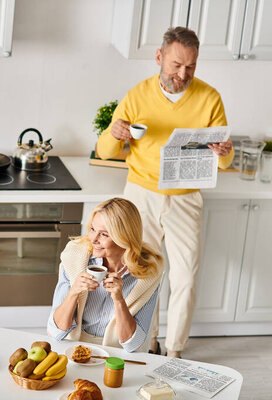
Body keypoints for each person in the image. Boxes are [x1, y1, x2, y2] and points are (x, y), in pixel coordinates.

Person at [96, 27, 234, 358]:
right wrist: (114, 133)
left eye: (191, 67)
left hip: (186, 197)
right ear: (159, 57)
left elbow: (225, 162)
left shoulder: (209, 97)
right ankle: (149, 343)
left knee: (185, 277)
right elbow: (104, 152)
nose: (183, 74)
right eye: (176, 65)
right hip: (141, 194)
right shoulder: (137, 94)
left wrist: (224, 150)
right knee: (144, 272)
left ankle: (175, 351)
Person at [47, 198, 163, 352]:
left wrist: (119, 299)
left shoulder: (147, 274)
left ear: (124, 238)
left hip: (117, 353)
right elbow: (56, 331)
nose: (93, 239)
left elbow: (133, 344)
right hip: (74, 347)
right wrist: (74, 291)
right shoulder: (75, 257)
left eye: (104, 235)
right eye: (93, 229)